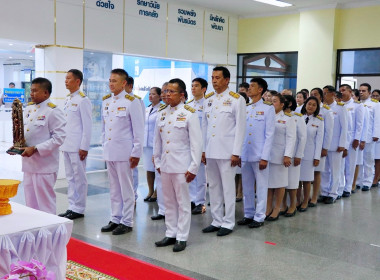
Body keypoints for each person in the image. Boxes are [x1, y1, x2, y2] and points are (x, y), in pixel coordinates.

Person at [153, 78, 202, 252]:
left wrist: (193, 167)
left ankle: (182, 237)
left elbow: (196, 143)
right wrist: (157, 160)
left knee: (183, 203)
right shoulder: (162, 112)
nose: (167, 94)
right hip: (165, 165)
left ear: (182, 95)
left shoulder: (189, 113)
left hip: (182, 166)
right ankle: (170, 232)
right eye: (165, 91)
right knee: (168, 202)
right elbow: (157, 140)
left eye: (171, 92)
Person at [201, 66, 246, 236]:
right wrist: (203, 150)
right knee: (213, 186)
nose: (214, 81)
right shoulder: (209, 99)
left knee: (228, 188)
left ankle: (228, 222)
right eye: (212, 77)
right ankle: (216, 220)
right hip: (211, 150)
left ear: (227, 80)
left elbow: (240, 127)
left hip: (228, 152)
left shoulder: (236, 99)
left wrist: (236, 152)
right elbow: (205, 125)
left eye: (218, 78)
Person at [100, 69, 144, 235]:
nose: (111, 84)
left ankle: (127, 221)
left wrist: (136, 152)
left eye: (115, 81)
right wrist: (104, 145)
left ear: (124, 83)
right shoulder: (106, 101)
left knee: (126, 188)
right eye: (110, 80)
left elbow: (138, 130)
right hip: (111, 150)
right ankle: (115, 218)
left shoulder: (131, 101)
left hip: (125, 152)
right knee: (113, 187)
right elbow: (105, 128)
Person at [14, 77, 66, 214]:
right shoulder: (29, 109)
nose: (31, 93)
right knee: (31, 204)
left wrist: (36, 148)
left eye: (35, 91)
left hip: (45, 166)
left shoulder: (53, 111)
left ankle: (48, 234)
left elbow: (59, 138)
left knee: (45, 205)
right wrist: (17, 147)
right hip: (29, 164)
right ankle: (35, 233)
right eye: (31, 90)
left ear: (46, 93)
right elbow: (24, 132)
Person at [237, 78, 275, 228]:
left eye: (252, 86)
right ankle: (248, 214)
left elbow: (269, 134)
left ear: (260, 90)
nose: (249, 89)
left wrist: (265, 157)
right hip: (246, 153)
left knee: (260, 187)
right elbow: (241, 133)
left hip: (259, 155)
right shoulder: (245, 107)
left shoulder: (268, 108)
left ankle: (259, 216)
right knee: (246, 186)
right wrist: (238, 153)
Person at [59, 69, 92, 220]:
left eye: (68, 79)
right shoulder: (68, 99)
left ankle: (79, 208)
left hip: (77, 146)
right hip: (67, 144)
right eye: (65, 78)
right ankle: (72, 206)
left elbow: (87, 126)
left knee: (79, 177)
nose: (66, 81)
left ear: (77, 81)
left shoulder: (83, 100)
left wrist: (84, 146)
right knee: (70, 177)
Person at [266, 93, 296, 221]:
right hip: (267, 155)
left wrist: (287, 155)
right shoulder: (267, 116)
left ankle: (277, 208)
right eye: (271, 101)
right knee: (268, 184)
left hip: (280, 156)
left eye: (275, 101)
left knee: (279, 184)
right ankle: (268, 207)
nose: (272, 103)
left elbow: (291, 138)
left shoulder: (288, 119)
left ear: (282, 104)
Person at [320, 86, 348, 204]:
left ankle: (333, 193)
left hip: (336, 145)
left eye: (326, 93)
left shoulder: (340, 108)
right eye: (323, 93)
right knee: (324, 170)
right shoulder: (321, 108)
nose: (324, 96)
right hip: (324, 145)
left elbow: (345, 127)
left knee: (336, 170)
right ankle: (324, 192)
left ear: (332, 94)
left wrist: (343, 144)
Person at [338, 84, 364, 198]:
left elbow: (359, 124)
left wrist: (357, 138)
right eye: (340, 91)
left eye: (344, 90)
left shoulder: (357, 105)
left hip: (352, 139)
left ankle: (348, 188)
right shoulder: (339, 105)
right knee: (340, 165)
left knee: (350, 164)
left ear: (350, 92)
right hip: (341, 139)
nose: (341, 92)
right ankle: (339, 187)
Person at [309, 88, 334, 206]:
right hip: (307, 147)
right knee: (307, 173)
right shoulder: (304, 109)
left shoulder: (326, 111)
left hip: (319, 147)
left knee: (317, 172)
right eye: (311, 94)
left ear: (321, 96)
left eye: (316, 94)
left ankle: (315, 196)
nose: (313, 96)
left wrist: (325, 148)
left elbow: (329, 132)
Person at [298, 97, 324, 212]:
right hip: (297, 153)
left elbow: (319, 141)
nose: (311, 107)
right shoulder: (298, 117)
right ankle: (298, 200)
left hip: (309, 153)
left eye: (314, 105)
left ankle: (305, 201)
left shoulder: (319, 121)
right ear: (305, 104)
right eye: (309, 104)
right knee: (297, 179)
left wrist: (317, 157)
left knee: (307, 179)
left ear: (317, 107)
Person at [187, 77, 208, 215]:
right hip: (188, 145)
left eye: (196, 86)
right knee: (189, 173)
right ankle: (190, 200)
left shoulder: (208, 104)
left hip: (201, 146)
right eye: (192, 85)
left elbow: (208, 129)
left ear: (204, 89)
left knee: (200, 175)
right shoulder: (188, 105)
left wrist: (204, 149)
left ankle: (200, 202)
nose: (193, 88)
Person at [282, 95, 306, 213]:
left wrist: (298, 155)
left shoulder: (298, 117)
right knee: (281, 182)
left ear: (290, 103)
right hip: (281, 155)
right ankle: (282, 205)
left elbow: (302, 138)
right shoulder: (278, 115)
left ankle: (292, 204)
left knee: (292, 182)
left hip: (293, 155)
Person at [357, 83, 380, 191]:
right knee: (359, 160)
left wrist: (376, 135)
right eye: (360, 90)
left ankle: (367, 182)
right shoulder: (357, 104)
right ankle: (358, 181)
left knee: (368, 160)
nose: (361, 92)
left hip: (369, 136)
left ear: (369, 93)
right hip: (358, 137)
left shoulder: (375, 104)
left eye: (364, 91)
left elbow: (377, 121)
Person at [151, 82, 169, 220]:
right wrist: (155, 155)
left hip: (176, 156)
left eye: (167, 91)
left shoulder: (185, 112)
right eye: (162, 91)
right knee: (160, 182)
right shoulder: (161, 112)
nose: (164, 94)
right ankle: (162, 210)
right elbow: (157, 138)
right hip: (161, 155)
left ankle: (171, 211)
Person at [125, 76, 145, 202]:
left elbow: (140, 123)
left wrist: (137, 146)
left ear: (130, 86)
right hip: (121, 144)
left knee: (132, 172)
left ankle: (134, 195)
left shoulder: (136, 101)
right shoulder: (115, 100)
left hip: (132, 142)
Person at [143, 87, 161, 203]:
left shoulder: (162, 109)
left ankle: (157, 192)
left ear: (159, 96)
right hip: (147, 143)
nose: (150, 96)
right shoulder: (147, 108)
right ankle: (150, 190)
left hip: (156, 144)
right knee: (149, 169)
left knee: (157, 169)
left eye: (153, 94)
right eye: (149, 94)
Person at [372, 89, 380, 187]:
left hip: (378, 136)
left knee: (378, 159)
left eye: (377, 96)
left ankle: (376, 178)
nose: (375, 98)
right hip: (372, 136)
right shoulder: (371, 106)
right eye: (373, 96)